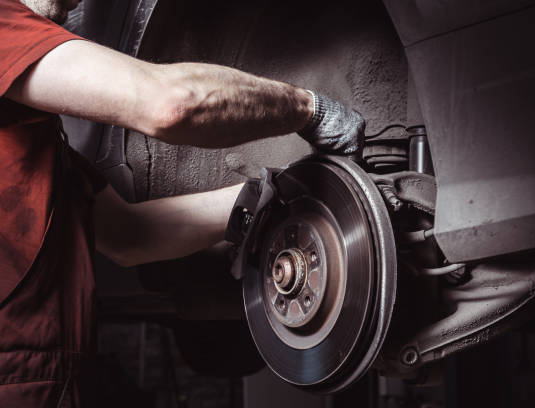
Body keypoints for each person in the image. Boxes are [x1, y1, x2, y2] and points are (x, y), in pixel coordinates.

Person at [0, 0, 365, 406]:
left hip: (46, 384)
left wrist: (271, 192)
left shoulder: (37, 146)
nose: (76, 4)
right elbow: (171, 102)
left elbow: (130, 236)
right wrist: (311, 110)